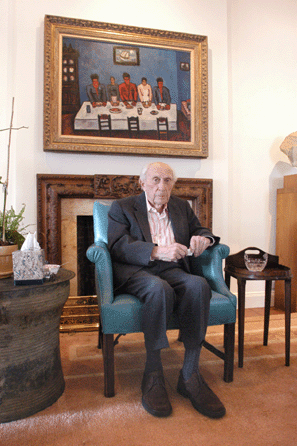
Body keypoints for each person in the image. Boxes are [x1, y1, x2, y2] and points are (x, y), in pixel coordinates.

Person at [108, 162, 226, 419]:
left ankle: (190, 374)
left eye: (168, 180)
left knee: (198, 285)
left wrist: (204, 239)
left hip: (173, 269)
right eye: (156, 180)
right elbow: (117, 245)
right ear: (143, 183)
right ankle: (152, 374)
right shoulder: (123, 207)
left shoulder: (182, 206)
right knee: (158, 289)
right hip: (138, 271)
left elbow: (200, 230)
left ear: (173, 183)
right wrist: (157, 250)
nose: (162, 186)